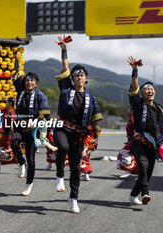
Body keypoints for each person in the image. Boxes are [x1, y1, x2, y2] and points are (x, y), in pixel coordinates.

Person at [54, 35, 103, 213]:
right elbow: (65, 67)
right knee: (62, 146)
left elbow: (95, 118)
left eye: (81, 75)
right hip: (62, 126)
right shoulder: (66, 88)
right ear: (72, 78)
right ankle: (59, 175)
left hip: (79, 132)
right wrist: (64, 49)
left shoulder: (91, 97)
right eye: (76, 75)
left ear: (86, 78)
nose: (79, 77)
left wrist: (95, 135)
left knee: (76, 167)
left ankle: (73, 198)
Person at [127, 56, 163, 205]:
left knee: (147, 174)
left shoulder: (159, 108)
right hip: (139, 142)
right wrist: (135, 70)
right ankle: (145, 193)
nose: (150, 90)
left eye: (152, 88)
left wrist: (162, 142)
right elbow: (134, 88)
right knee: (143, 167)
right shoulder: (138, 104)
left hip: (153, 144)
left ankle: (133, 195)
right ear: (142, 94)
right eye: (146, 89)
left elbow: (162, 127)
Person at [11, 52, 50, 196]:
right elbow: (17, 73)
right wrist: (16, 60)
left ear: (36, 83)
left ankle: (29, 183)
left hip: (33, 129)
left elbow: (44, 114)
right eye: (27, 80)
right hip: (20, 125)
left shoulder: (41, 96)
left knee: (31, 159)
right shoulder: (20, 90)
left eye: (32, 80)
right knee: (14, 143)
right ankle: (21, 162)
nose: (29, 82)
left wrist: (35, 123)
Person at [0, 97, 18, 173]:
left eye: (6, 102)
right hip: (6, 134)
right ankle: (19, 162)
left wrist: (12, 131)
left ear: (10, 103)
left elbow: (13, 122)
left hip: (7, 134)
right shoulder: (9, 111)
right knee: (4, 149)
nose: (5, 103)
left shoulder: (10, 111)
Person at [117, 105, 138, 178]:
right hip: (131, 140)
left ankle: (128, 170)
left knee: (123, 153)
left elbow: (136, 131)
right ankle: (131, 171)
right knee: (134, 156)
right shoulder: (131, 119)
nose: (126, 111)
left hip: (134, 140)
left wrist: (132, 141)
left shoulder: (133, 119)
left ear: (132, 111)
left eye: (128, 110)